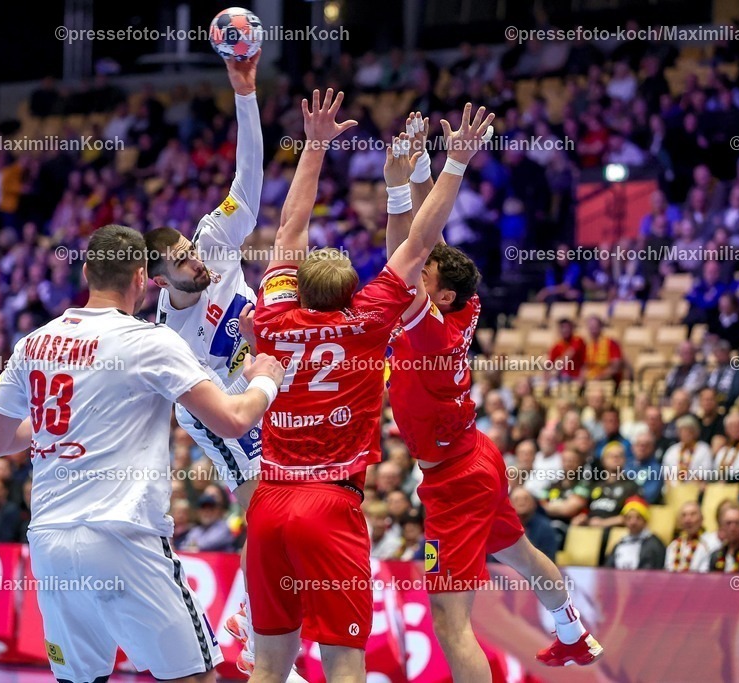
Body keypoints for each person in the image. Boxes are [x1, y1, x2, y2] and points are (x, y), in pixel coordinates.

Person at [246, 95, 491, 683]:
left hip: (268, 501)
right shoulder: (369, 318)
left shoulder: (273, 315)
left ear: (296, 286)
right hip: (330, 504)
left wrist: (314, 145)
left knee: (270, 663)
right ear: (352, 290)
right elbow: (421, 243)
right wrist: (455, 161)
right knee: (343, 663)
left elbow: (290, 227)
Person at [0, 223, 284, 683]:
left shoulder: (33, 342)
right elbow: (233, 419)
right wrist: (265, 376)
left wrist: (52, 425)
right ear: (143, 278)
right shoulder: (151, 341)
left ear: (87, 272)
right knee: (194, 676)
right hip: (125, 534)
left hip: (49, 541)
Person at [385, 110, 601, 673]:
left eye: (426, 278)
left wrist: (399, 187)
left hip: (454, 482)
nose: (417, 271)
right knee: (522, 555)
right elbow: (427, 244)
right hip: (476, 456)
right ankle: (572, 632)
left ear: (441, 297)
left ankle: (570, 634)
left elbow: (401, 256)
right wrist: (424, 167)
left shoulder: (429, 328)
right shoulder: (464, 303)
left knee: (450, 622)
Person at [141, 55, 290, 678]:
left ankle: (249, 622)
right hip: (219, 410)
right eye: (181, 263)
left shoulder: (213, 242)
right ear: (158, 281)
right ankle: (253, 631)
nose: (195, 262)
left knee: (291, 507)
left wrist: (245, 94)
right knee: (266, 508)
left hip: (263, 379)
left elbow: (248, 178)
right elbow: (213, 411)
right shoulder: (167, 339)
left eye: (189, 252)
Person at [604, 497, 666, 570]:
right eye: (629, 518)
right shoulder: (620, 543)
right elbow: (608, 569)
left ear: (645, 520)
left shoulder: (654, 544)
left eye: (638, 518)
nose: (633, 522)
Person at [665, 502, 721, 573]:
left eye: (693, 514)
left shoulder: (712, 543)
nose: (688, 519)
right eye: (684, 515)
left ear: (701, 518)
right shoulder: (673, 546)